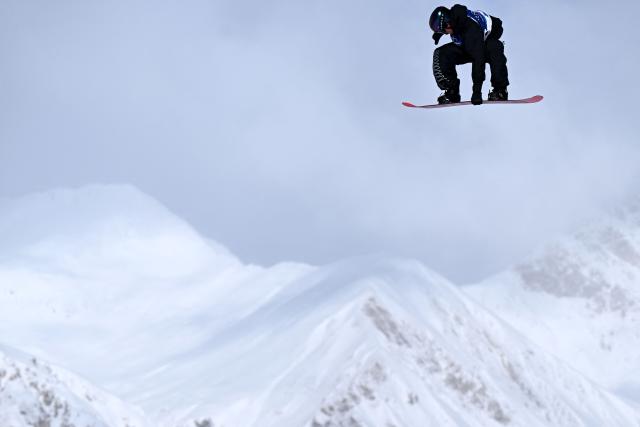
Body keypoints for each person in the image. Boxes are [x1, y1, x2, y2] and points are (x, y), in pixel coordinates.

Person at [429, 5, 509, 105]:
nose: (444, 33)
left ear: (448, 24)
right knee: (441, 53)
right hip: (467, 44)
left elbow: (478, 60)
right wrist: (438, 33)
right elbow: (451, 22)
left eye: (442, 30)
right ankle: (452, 92)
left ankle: (500, 91)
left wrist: (477, 92)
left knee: (495, 48)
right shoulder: (453, 22)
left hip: (483, 42)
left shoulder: (471, 31)